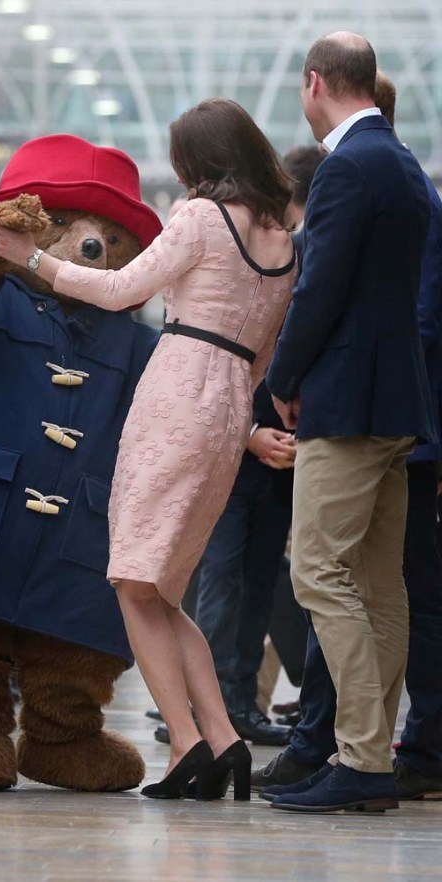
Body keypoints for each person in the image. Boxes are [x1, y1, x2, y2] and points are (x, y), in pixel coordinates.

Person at [0, 97, 297, 800]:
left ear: (199, 162)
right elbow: (270, 347)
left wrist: (32, 258)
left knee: (131, 580)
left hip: (178, 388)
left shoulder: (199, 218)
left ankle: (188, 745)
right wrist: (235, 411)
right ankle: (226, 741)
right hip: (228, 400)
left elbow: (124, 288)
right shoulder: (286, 240)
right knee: (162, 589)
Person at [254, 69, 442, 804]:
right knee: (378, 583)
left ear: (315, 83)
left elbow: (320, 284)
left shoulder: (346, 168)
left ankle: (361, 757)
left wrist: (284, 376)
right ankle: (370, 757)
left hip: (346, 404)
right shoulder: (403, 166)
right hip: (399, 405)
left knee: (317, 572)